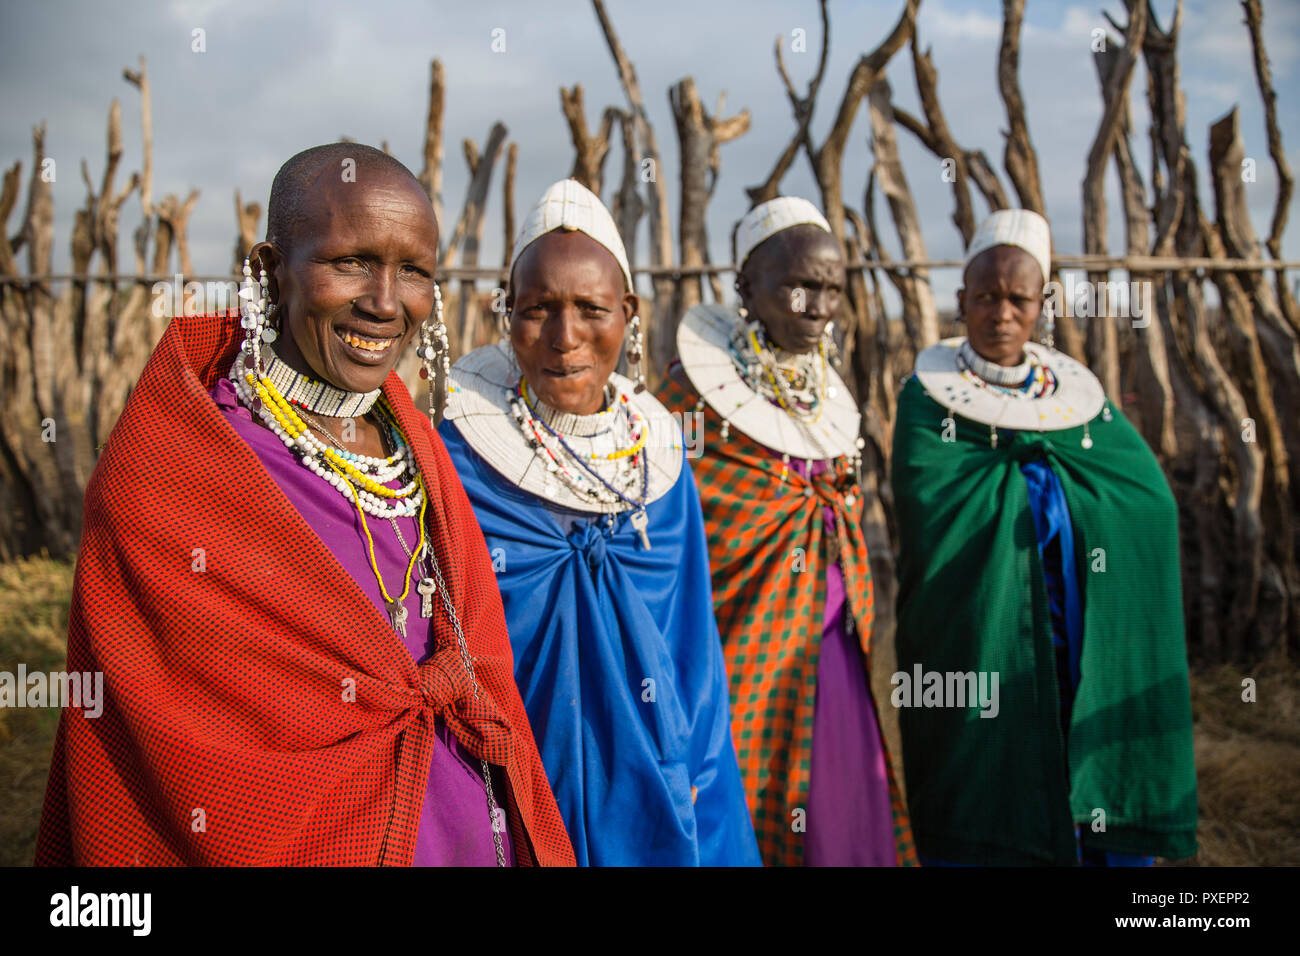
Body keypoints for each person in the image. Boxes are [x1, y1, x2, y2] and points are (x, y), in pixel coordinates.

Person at [36, 143, 574, 867]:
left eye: (413, 270)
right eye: (349, 261)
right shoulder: (180, 465)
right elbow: (172, 739)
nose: (386, 302)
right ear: (268, 272)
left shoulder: (416, 448)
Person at [439, 178, 760, 866]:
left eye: (591, 308)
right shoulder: (459, 461)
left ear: (629, 313)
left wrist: (696, 773)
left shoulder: (663, 470)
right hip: (510, 787)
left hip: (658, 782)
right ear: (507, 312)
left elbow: (692, 647)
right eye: (538, 309)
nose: (564, 337)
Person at [891, 208, 1198, 866]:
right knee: (989, 761)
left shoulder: (1077, 400)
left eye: (1018, 297)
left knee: (1074, 748)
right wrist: (1024, 485)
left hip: (1078, 627)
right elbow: (929, 500)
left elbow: (1146, 500)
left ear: (1041, 303)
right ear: (962, 300)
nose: (1001, 312)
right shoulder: (925, 397)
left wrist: (1056, 491)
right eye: (985, 296)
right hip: (983, 637)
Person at [657, 196, 916, 867]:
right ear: (746, 287)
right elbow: (679, 532)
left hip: (831, 646)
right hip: (738, 642)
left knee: (836, 810)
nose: (817, 305)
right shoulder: (687, 401)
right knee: (744, 789)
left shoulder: (829, 395)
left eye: (831, 287)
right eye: (798, 284)